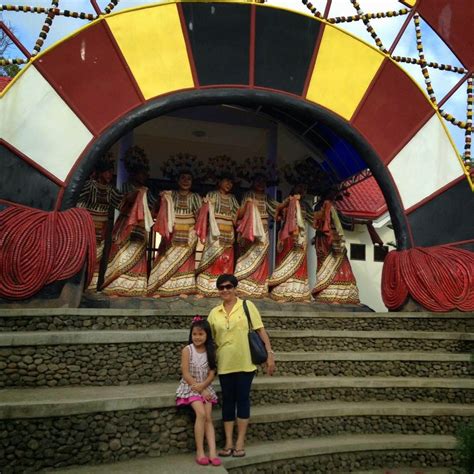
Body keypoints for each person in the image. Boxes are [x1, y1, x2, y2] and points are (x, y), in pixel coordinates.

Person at [207, 274, 275, 458]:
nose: (225, 290)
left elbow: (261, 330)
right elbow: (209, 340)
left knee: (242, 400)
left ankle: (240, 442)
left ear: (235, 288)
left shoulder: (247, 306)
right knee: (228, 402)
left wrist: (270, 355)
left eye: (228, 287)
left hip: (245, 363)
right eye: (221, 288)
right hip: (225, 364)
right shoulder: (214, 313)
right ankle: (228, 441)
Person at [101, 146, 155, 297]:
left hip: (140, 227)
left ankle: (136, 286)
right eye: (141, 173)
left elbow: (152, 207)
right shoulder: (126, 186)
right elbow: (122, 201)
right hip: (125, 224)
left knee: (138, 255)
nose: (144, 176)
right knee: (120, 253)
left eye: (145, 174)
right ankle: (116, 284)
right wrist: (136, 194)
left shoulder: (146, 190)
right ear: (134, 173)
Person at [148, 171, 202, 297]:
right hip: (172, 232)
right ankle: (160, 287)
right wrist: (162, 199)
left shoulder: (195, 197)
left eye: (189, 178)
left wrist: (196, 233)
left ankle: (183, 289)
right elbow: (158, 211)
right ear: (177, 180)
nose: (186, 181)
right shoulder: (170, 195)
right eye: (183, 178)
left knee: (185, 261)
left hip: (189, 232)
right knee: (165, 258)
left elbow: (199, 216)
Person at [176, 317, 221, 466]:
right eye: (195, 334)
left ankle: (213, 452)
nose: (197, 337)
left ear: (207, 335)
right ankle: (200, 451)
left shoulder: (210, 351)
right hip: (191, 386)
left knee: (208, 416)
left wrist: (204, 386)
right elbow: (186, 373)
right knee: (201, 414)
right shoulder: (187, 350)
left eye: (201, 334)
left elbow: (211, 373)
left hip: (205, 386)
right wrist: (200, 389)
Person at [76, 154, 122, 290]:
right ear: (100, 172)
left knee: (99, 257)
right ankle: (79, 286)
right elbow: (79, 203)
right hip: (87, 226)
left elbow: (122, 203)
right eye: (107, 171)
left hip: (103, 228)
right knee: (84, 256)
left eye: (111, 172)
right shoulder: (89, 186)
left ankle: (93, 286)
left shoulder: (111, 190)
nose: (110, 174)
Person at [234, 173, 278, 298]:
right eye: (258, 180)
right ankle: (244, 285)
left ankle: (259, 287)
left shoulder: (267, 197)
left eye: (263, 181)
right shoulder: (248, 195)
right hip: (250, 230)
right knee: (247, 256)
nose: (261, 183)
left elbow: (276, 208)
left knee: (261, 257)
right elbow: (241, 212)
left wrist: (289, 203)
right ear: (252, 182)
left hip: (263, 230)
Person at [311, 192, 360, 304]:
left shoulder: (333, 206)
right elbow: (316, 220)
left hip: (336, 238)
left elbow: (343, 220)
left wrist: (361, 222)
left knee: (343, 264)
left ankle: (344, 293)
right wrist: (325, 210)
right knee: (327, 264)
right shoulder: (320, 206)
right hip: (325, 240)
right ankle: (328, 291)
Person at [196, 174, 240, 297]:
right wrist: (205, 204)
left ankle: (226, 287)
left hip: (229, 233)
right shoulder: (212, 194)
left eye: (231, 182)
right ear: (219, 182)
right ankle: (207, 288)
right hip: (215, 233)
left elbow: (237, 214)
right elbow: (204, 212)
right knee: (213, 260)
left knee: (227, 261)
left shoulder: (232, 198)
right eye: (226, 181)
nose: (229, 184)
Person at [268, 183, 311, 301]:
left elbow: (312, 219)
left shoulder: (305, 206)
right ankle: (283, 292)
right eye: (301, 190)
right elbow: (277, 213)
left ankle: (300, 293)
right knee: (286, 261)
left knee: (301, 264)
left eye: (304, 191)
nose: (302, 193)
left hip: (301, 236)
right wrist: (289, 201)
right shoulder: (287, 203)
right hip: (288, 236)